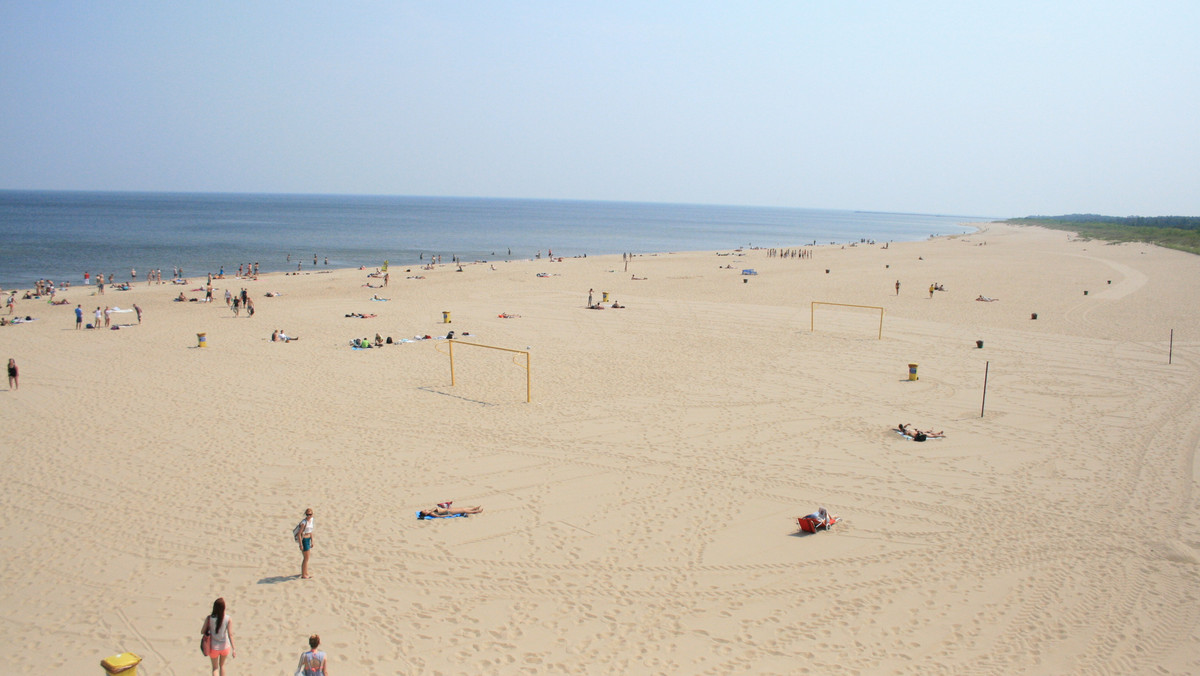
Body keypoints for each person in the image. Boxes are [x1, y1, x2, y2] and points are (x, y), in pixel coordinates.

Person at [201, 597, 235, 676]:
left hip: (213, 647)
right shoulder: (228, 619)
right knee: (222, 666)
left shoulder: (209, 618)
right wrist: (234, 649)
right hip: (225, 646)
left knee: (215, 668)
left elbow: (202, 631)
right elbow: (230, 635)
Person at [297, 508, 314, 579]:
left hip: (308, 538)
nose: (308, 516)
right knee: (306, 558)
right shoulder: (304, 523)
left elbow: (310, 531)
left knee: (307, 558)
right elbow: (299, 534)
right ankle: (304, 574)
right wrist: (300, 544)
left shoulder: (312, 520)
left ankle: (305, 572)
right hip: (304, 540)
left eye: (310, 514)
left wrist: (312, 541)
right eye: (307, 515)